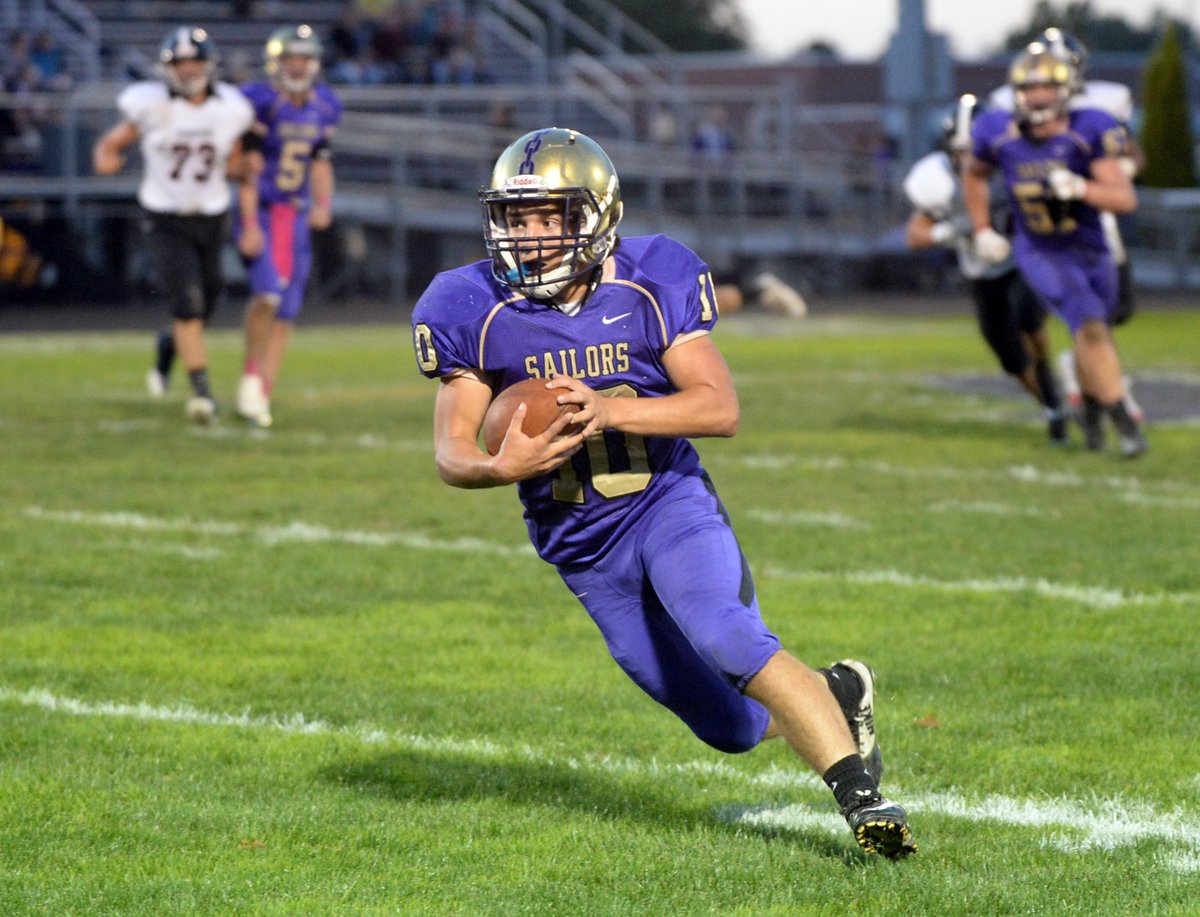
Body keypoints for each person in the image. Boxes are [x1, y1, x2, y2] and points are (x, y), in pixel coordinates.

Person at [410, 127, 916, 858]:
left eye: (549, 217)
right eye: (517, 218)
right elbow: (451, 450)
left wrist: (611, 408)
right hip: (582, 544)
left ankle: (866, 803)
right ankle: (836, 691)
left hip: (665, 502)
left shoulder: (652, 277)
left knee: (727, 633)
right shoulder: (466, 302)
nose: (530, 236)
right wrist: (498, 466)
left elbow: (719, 407)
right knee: (732, 728)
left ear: (596, 216)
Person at [964, 42, 1146, 457]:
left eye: (1046, 86)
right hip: (1040, 249)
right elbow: (973, 175)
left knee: (1091, 330)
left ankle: (1094, 417)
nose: (1038, 96)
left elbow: (1125, 199)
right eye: (1029, 88)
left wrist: (1082, 187)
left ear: (1066, 90)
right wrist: (981, 229)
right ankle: (1125, 424)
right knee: (1092, 326)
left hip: (1091, 245)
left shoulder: (1089, 128)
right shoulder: (998, 130)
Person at [93, 26, 257, 424]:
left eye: (194, 61)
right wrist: (106, 160)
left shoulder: (230, 107)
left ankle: (169, 346)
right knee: (188, 304)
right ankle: (202, 393)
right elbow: (110, 144)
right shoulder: (150, 104)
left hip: (212, 215)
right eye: (180, 63)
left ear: (208, 65)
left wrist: (243, 170)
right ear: (168, 68)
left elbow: (237, 162)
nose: (188, 70)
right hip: (165, 216)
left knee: (206, 304)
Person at [904, 93, 1066, 443]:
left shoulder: (1016, 164)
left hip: (1022, 260)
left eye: (972, 149)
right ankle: (1054, 408)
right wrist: (951, 230)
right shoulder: (936, 179)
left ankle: (1056, 381)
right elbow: (914, 235)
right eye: (959, 150)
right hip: (981, 273)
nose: (966, 158)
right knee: (1009, 358)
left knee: (1028, 319)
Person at [233, 24, 342, 427]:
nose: (296, 67)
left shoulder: (325, 105)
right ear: (276, 62)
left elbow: (321, 162)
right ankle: (249, 376)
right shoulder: (260, 102)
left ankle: (262, 394)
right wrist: (247, 223)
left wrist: (324, 202)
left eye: (303, 59)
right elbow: (247, 168)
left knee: (286, 310)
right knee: (267, 296)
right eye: (289, 59)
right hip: (261, 208)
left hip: (293, 215)